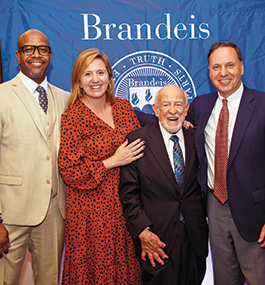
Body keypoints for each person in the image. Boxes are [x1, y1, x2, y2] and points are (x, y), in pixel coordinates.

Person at [58, 48, 145, 284]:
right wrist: (111, 162)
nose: (95, 80)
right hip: (90, 216)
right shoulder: (72, 118)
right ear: (78, 80)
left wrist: (182, 123)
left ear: (109, 77)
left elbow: (146, 139)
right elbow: (69, 171)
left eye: (100, 72)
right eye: (87, 74)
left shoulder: (124, 108)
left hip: (126, 208)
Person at [186, 41, 265, 285]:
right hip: (214, 206)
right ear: (209, 71)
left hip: (255, 213)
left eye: (230, 65)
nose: (223, 73)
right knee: (224, 280)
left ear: (242, 67)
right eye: (216, 67)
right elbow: (173, 123)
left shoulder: (262, 104)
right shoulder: (200, 105)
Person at [119, 85, 208, 285]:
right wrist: (142, 232)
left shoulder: (197, 138)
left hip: (194, 239)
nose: (172, 110)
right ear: (156, 109)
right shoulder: (137, 140)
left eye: (178, 105)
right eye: (166, 104)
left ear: (186, 110)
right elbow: (129, 194)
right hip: (156, 241)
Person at [0, 29, 69, 284]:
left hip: (53, 211)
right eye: (28, 49)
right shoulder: (2, 96)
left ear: (50, 55)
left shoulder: (64, 98)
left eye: (42, 49)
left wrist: (173, 121)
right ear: (18, 55)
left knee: (50, 280)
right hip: (10, 214)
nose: (36, 55)